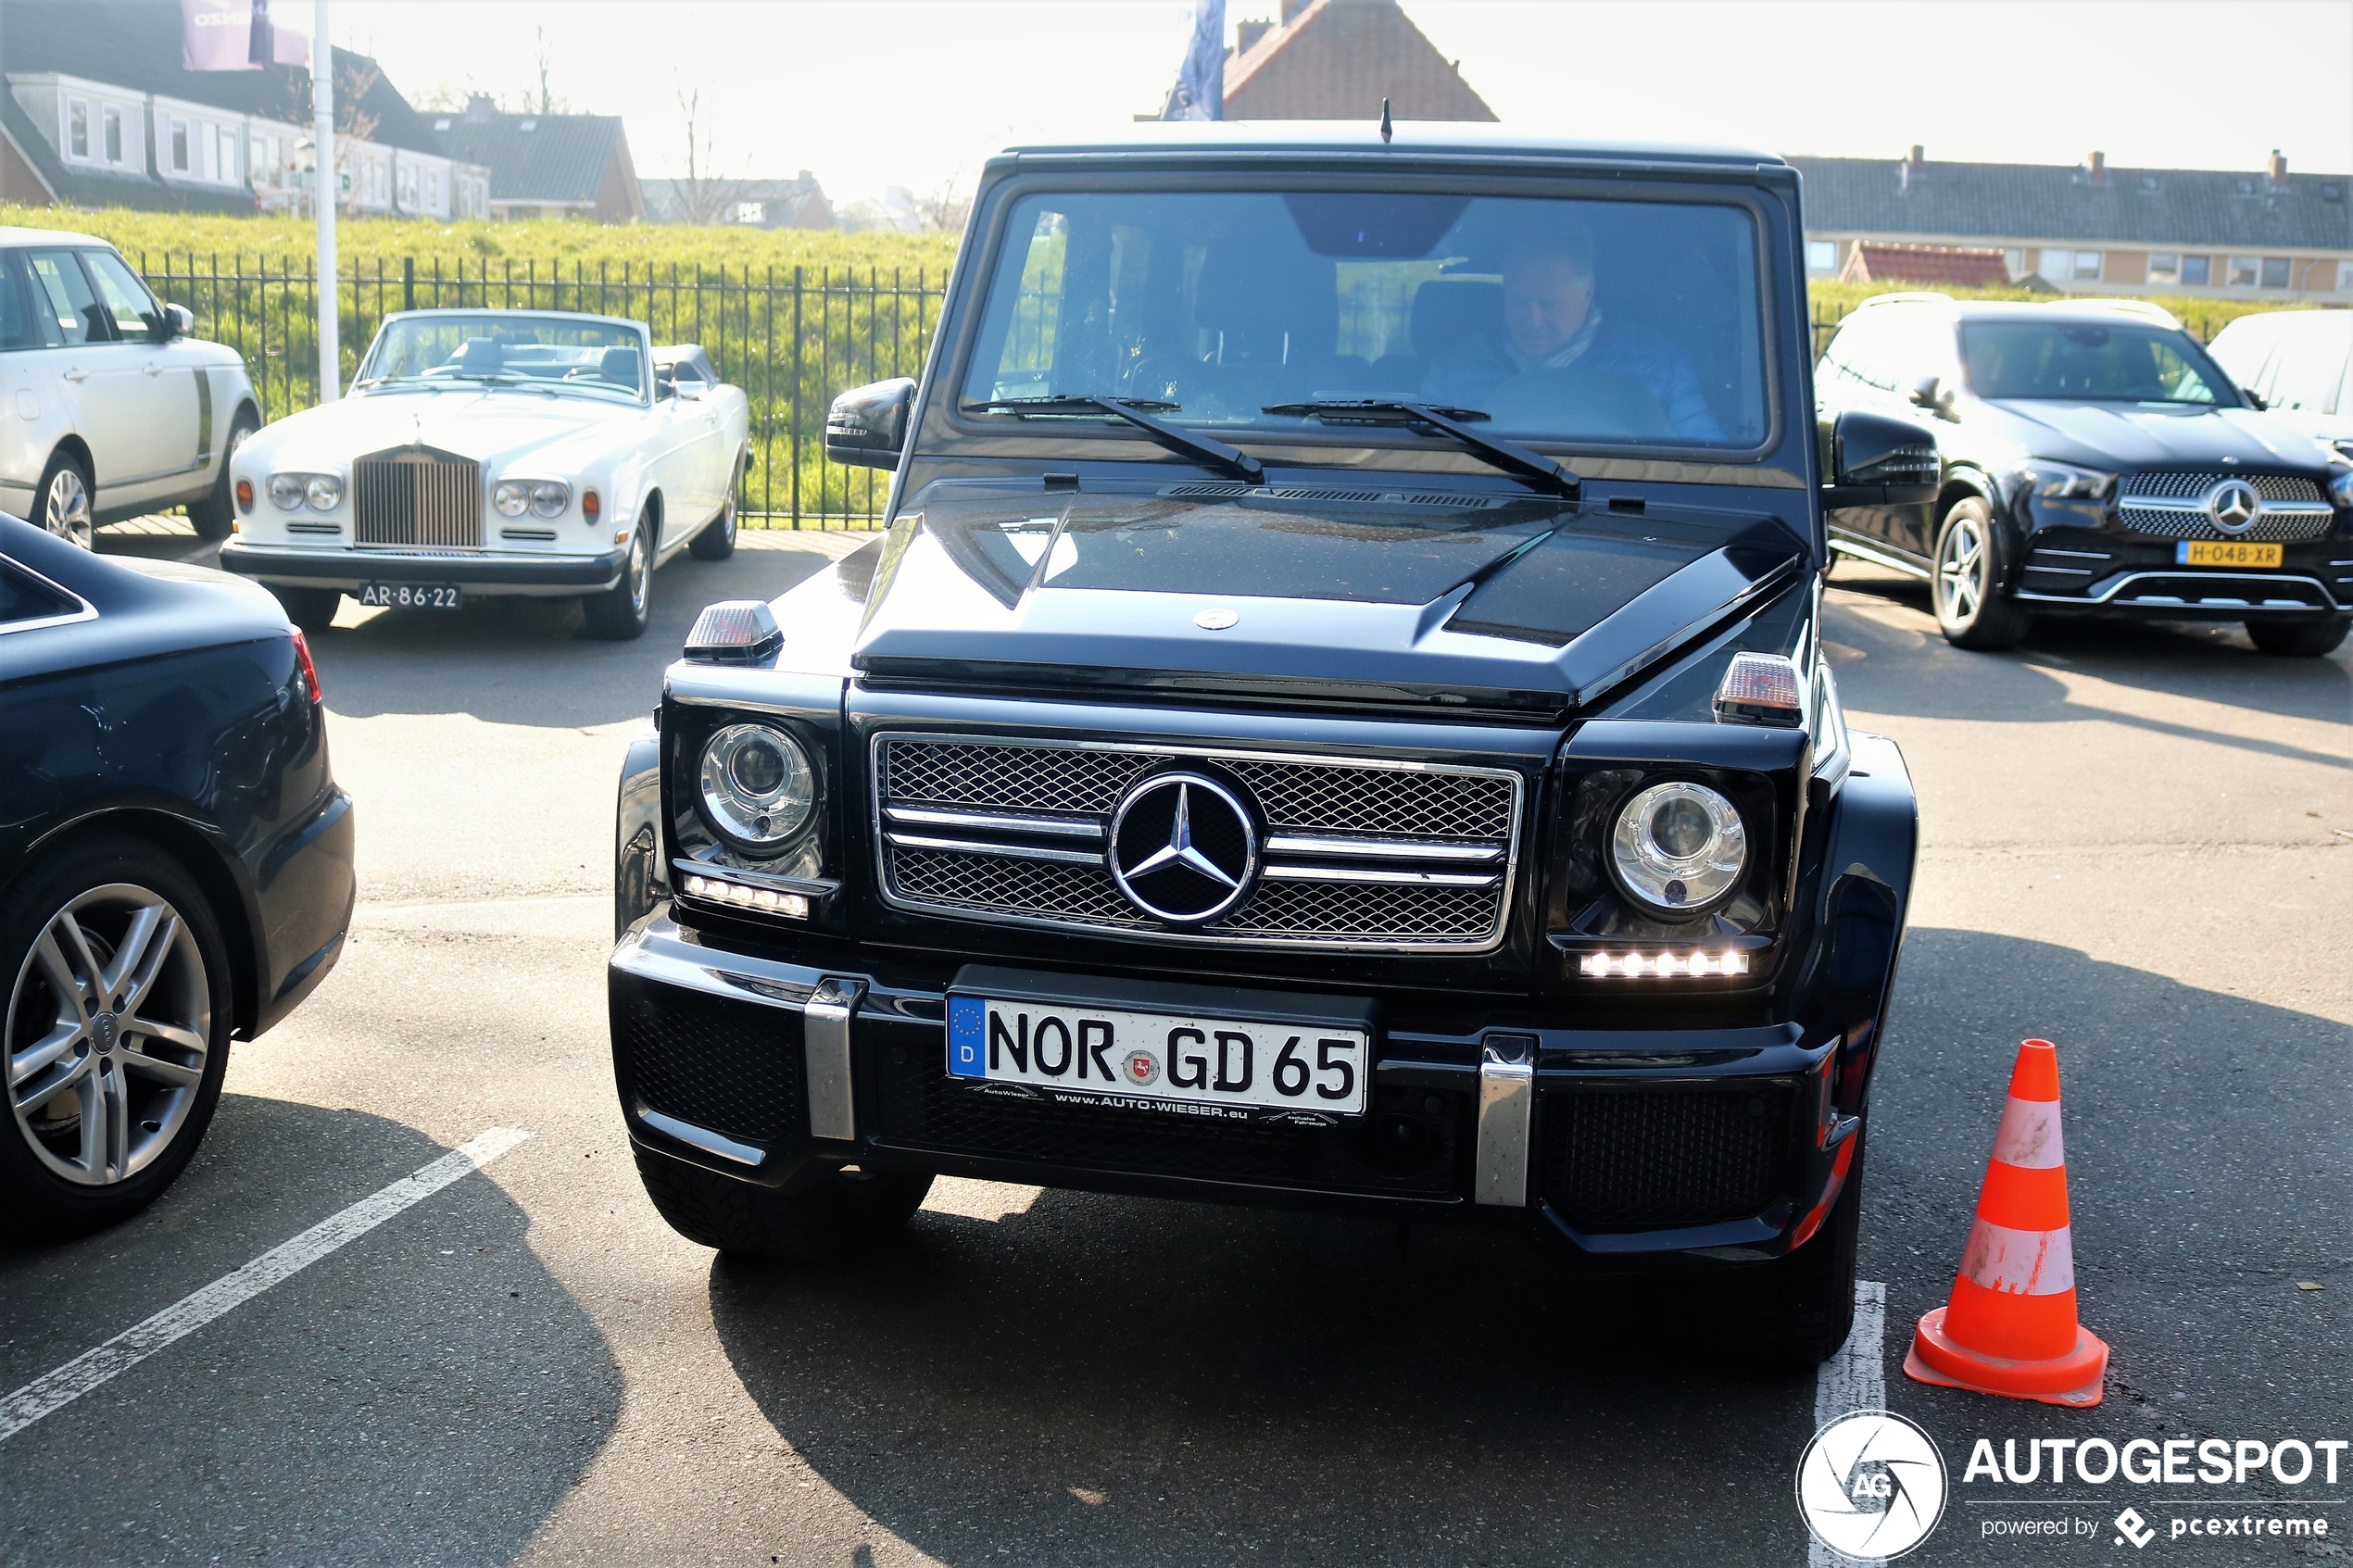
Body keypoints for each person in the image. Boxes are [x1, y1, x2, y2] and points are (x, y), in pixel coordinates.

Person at [1420, 227, 1726, 442]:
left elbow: (1707, 466)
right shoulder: (1456, 369)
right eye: (1519, 302)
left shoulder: (1659, 366)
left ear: (1587, 294)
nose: (1534, 320)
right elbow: (1418, 461)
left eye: (1549, 304)